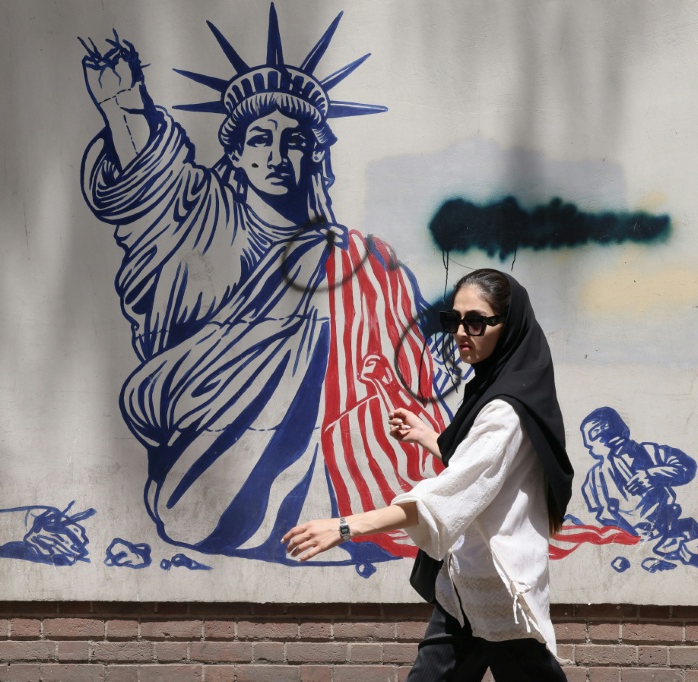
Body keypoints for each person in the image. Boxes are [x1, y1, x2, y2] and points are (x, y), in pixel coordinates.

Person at [80, 7, 449, 567]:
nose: (276, 156)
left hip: (340, 457)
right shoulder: (202, 218)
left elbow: (412, 354)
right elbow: (150, 184)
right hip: (204, 444)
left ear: (314, 152)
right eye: (260, 139)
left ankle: (338, 508)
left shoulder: (361, 258)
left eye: (293, 140)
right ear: (236, 151)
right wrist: (123, 105)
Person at [284, 268, 572, 680]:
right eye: (454, 320)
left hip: (500, 594)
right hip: (464, 587)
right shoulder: (496, 389)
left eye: (476, 321)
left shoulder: (505, 410)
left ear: (508, 326)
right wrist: (426, 436)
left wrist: (346, 527)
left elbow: (448, 496)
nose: (461, 332)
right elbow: (478, 465)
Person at [580, 407, 697, 550]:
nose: (588, 444)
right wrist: (631, 534)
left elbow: (688, 467)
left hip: (670, 530)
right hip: (631, 543)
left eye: (594, 435)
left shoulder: (649, 451)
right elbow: (600, 516)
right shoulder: (594, 478)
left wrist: (652, 475)